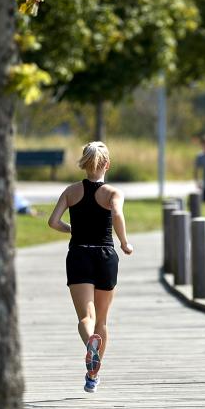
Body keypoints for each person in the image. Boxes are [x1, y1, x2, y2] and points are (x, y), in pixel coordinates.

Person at [48, 142, 133, 393]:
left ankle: (89, 345)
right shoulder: (113, 193)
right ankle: (92, 376)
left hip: (79, 255)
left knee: (86, 317)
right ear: (107, 164)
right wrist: (125, 243)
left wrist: (70, 229)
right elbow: (117, 214)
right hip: (105, 256)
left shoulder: (71, 191)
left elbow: (53, 222)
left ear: (84, 164)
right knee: (102, 321)